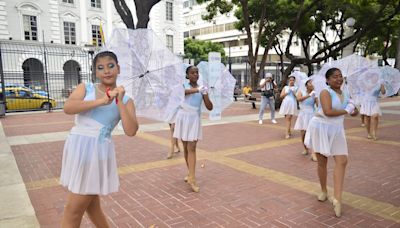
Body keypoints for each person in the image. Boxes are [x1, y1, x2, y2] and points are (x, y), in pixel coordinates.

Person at [60, 51, 139, 227]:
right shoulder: (85, 88)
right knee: (92, 207)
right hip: (77, 149)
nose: (106, 71)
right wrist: (101, 101)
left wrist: (119, 100)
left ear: (118, 68)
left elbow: (131, 130)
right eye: (100, 67)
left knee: (72, 210)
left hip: (96, 153)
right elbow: (68, 107)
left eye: (111, 66)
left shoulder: (126, 100)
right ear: (95, 72)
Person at [304, 68, 358, 218]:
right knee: (322, 162)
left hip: (337, 129)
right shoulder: (325, 92)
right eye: (335, 77)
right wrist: (347, 110)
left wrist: (354, 108)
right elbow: (327, 111)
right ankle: (323, 190)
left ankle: (337, 199)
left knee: (342, 161)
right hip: (321, 127)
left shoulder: (346, 93)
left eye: (341, 76)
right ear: (327, 80)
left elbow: (355, 112)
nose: (339, 79)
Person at [173, 66, 213, 192]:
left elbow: (210, 107)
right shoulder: (183, 85)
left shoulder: (202, 88)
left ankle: (193, 178)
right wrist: (197, 90)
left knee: (192, 147)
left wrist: (205, 94)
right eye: (192, 72)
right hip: (183, 117)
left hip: (194, 118)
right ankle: (190, 173)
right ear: (187, 75)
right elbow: (181, 93)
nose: (195, 74)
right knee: (185, 147)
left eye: (197, 72)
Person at [294, 78, 317, 161]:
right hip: (303, 114)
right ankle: (305, 148)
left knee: (313, 133)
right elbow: (298, 99)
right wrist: (309, 95)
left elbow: (317, 104)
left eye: (312, 83)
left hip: (312, 113)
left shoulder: (315, 93)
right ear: (306, 84)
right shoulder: (301, 91)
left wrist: (316, 96)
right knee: (303, 133)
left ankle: (313, 153)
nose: (312, 84)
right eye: (310, 83)